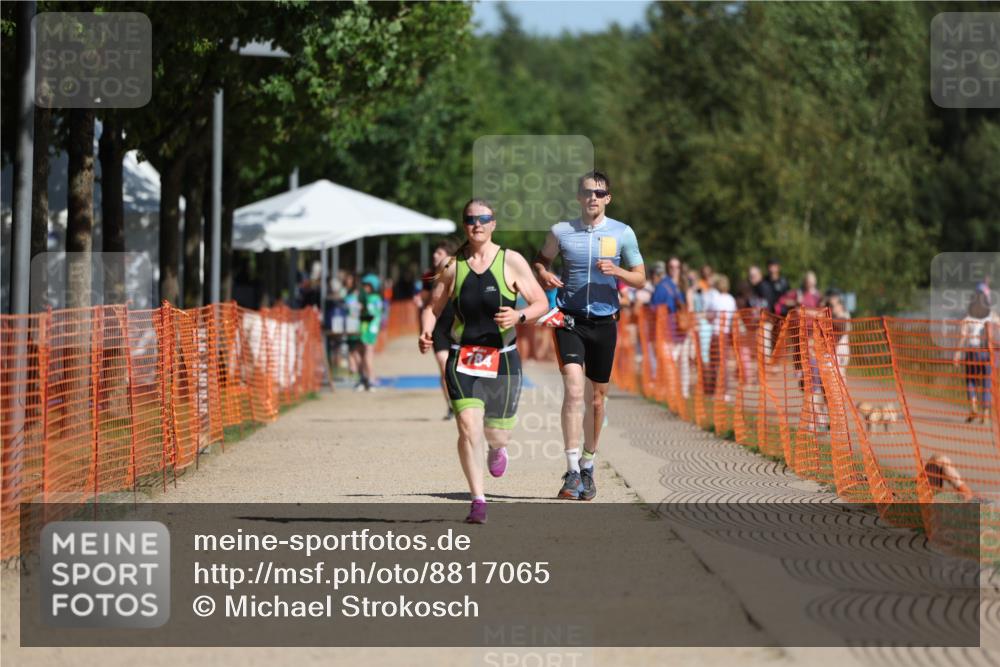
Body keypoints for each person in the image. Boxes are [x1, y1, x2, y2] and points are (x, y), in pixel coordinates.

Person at [419, 199, 549, 524]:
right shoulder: (451, 266)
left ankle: (497, 448)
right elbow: (433, 307)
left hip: (502, 359)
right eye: (470, 219)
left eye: (483, 218)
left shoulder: (511, 261)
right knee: (468, 428)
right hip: (463, 356)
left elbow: (540, 303)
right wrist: (426, 331)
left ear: (493, 223)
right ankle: (478, 499)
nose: (477, 224)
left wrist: (519, 315)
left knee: (497, 435)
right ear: (464, 224)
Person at [533, 170, 646, 501]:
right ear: (578, 197)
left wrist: (618, 271)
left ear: (607, 198)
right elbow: (540, 261)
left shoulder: (622, 233)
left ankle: (588, 464)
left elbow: (640, 277)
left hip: (604, 322)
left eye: (599, 193)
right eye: (587, 192)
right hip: (569, 320)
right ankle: (571, 472)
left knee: (597, 400)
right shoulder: (561, 231)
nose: (592, 198)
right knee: (573, 389)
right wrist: (543, 274)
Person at [418, 239, 459, 419]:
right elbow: (425, 302)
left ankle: (462, 403)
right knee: (444, 367)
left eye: (440, 253)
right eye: (435, 252)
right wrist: (420, 301)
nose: (435, 255)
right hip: (438, 327)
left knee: (458, 368)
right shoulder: (429, 276)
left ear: (450, 257)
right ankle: (450, 406)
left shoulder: (459, 272)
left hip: (457, 325)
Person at [952, 292, 998, 424]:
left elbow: (963, 336)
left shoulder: (968, 317)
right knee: (987, 382)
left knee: (971, 380)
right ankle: (986, 414)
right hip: (988, 352)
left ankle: (973, 406)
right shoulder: (991, 315)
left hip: (973, 351)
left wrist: (957, 353)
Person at [355, 274, 383, 391]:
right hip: (367, 329)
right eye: (364, 285)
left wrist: (360, 310)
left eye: (367, 285)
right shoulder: (373, 298)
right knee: (361, 353)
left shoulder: (373, 298)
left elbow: (372, 314)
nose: (364, 287)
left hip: (369, 329)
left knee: (367, 353)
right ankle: (365, 378)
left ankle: (370, 379)